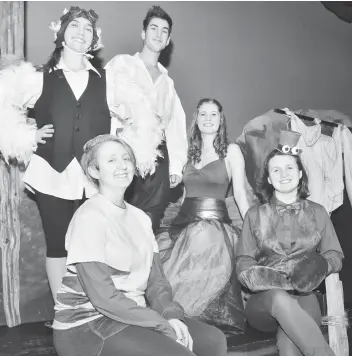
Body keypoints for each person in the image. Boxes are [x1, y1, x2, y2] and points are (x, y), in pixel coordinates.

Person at [52, 134, 227, 356]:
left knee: (213, 341)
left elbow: (156, 282)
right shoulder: (89, 217)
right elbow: (103, 298)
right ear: (94, 172)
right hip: (87, 323)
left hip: (132, 314)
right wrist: (161, 324)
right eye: (111, 160)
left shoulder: (140, 218)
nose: (122, 165)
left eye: (126, 158)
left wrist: (170, 315)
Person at [0, 6, 112, 304]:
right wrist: (25, 135)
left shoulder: (107, 80)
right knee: (57, 246)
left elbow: (131, 120)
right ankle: (64, 311)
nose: (81, 32)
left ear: (93, 40)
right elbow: (3, 102)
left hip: (92, 178)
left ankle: (92, 308)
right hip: (52, 173)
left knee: (90, 247)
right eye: (74, 26)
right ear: (61, 33)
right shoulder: (39, 78)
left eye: (87, 29)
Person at [235, 130, 344, 356]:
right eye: (276, 169)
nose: (283, 174)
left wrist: (319, 265)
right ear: (268, 177)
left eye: (289, 168)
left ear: (300, 173)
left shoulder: (318, 212)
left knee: (289, 347)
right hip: (264, 303)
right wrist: (255, 276)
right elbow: (243, 261)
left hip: (304, 297)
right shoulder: (254, 215)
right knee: (278, 297)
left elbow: (335, 255)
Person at [156, 98, 249, 334]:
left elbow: (239, 193)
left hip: (214, 224)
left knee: (203, 239)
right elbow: (186, 193)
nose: (208, 119)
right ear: (196, 119)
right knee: (158, 256)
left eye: (213, 114)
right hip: (184, 220)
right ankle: (171, 315)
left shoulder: (232, 150)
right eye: (203, 114)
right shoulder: (186, 152)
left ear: (221, 120)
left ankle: (187, 318)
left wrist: (252, 227)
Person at [105, 5, 188, 232]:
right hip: (124, 152)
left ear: (168, 39)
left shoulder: (167, 84)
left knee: (147, 226)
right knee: (117, 220)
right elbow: (102, 102)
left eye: (164, 31)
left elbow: (175, 128)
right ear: (143, 33)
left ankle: (143, 266)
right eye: (153, 28)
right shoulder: (121, 64)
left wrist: (176, 168)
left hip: (157, 162)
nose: (158, 34)